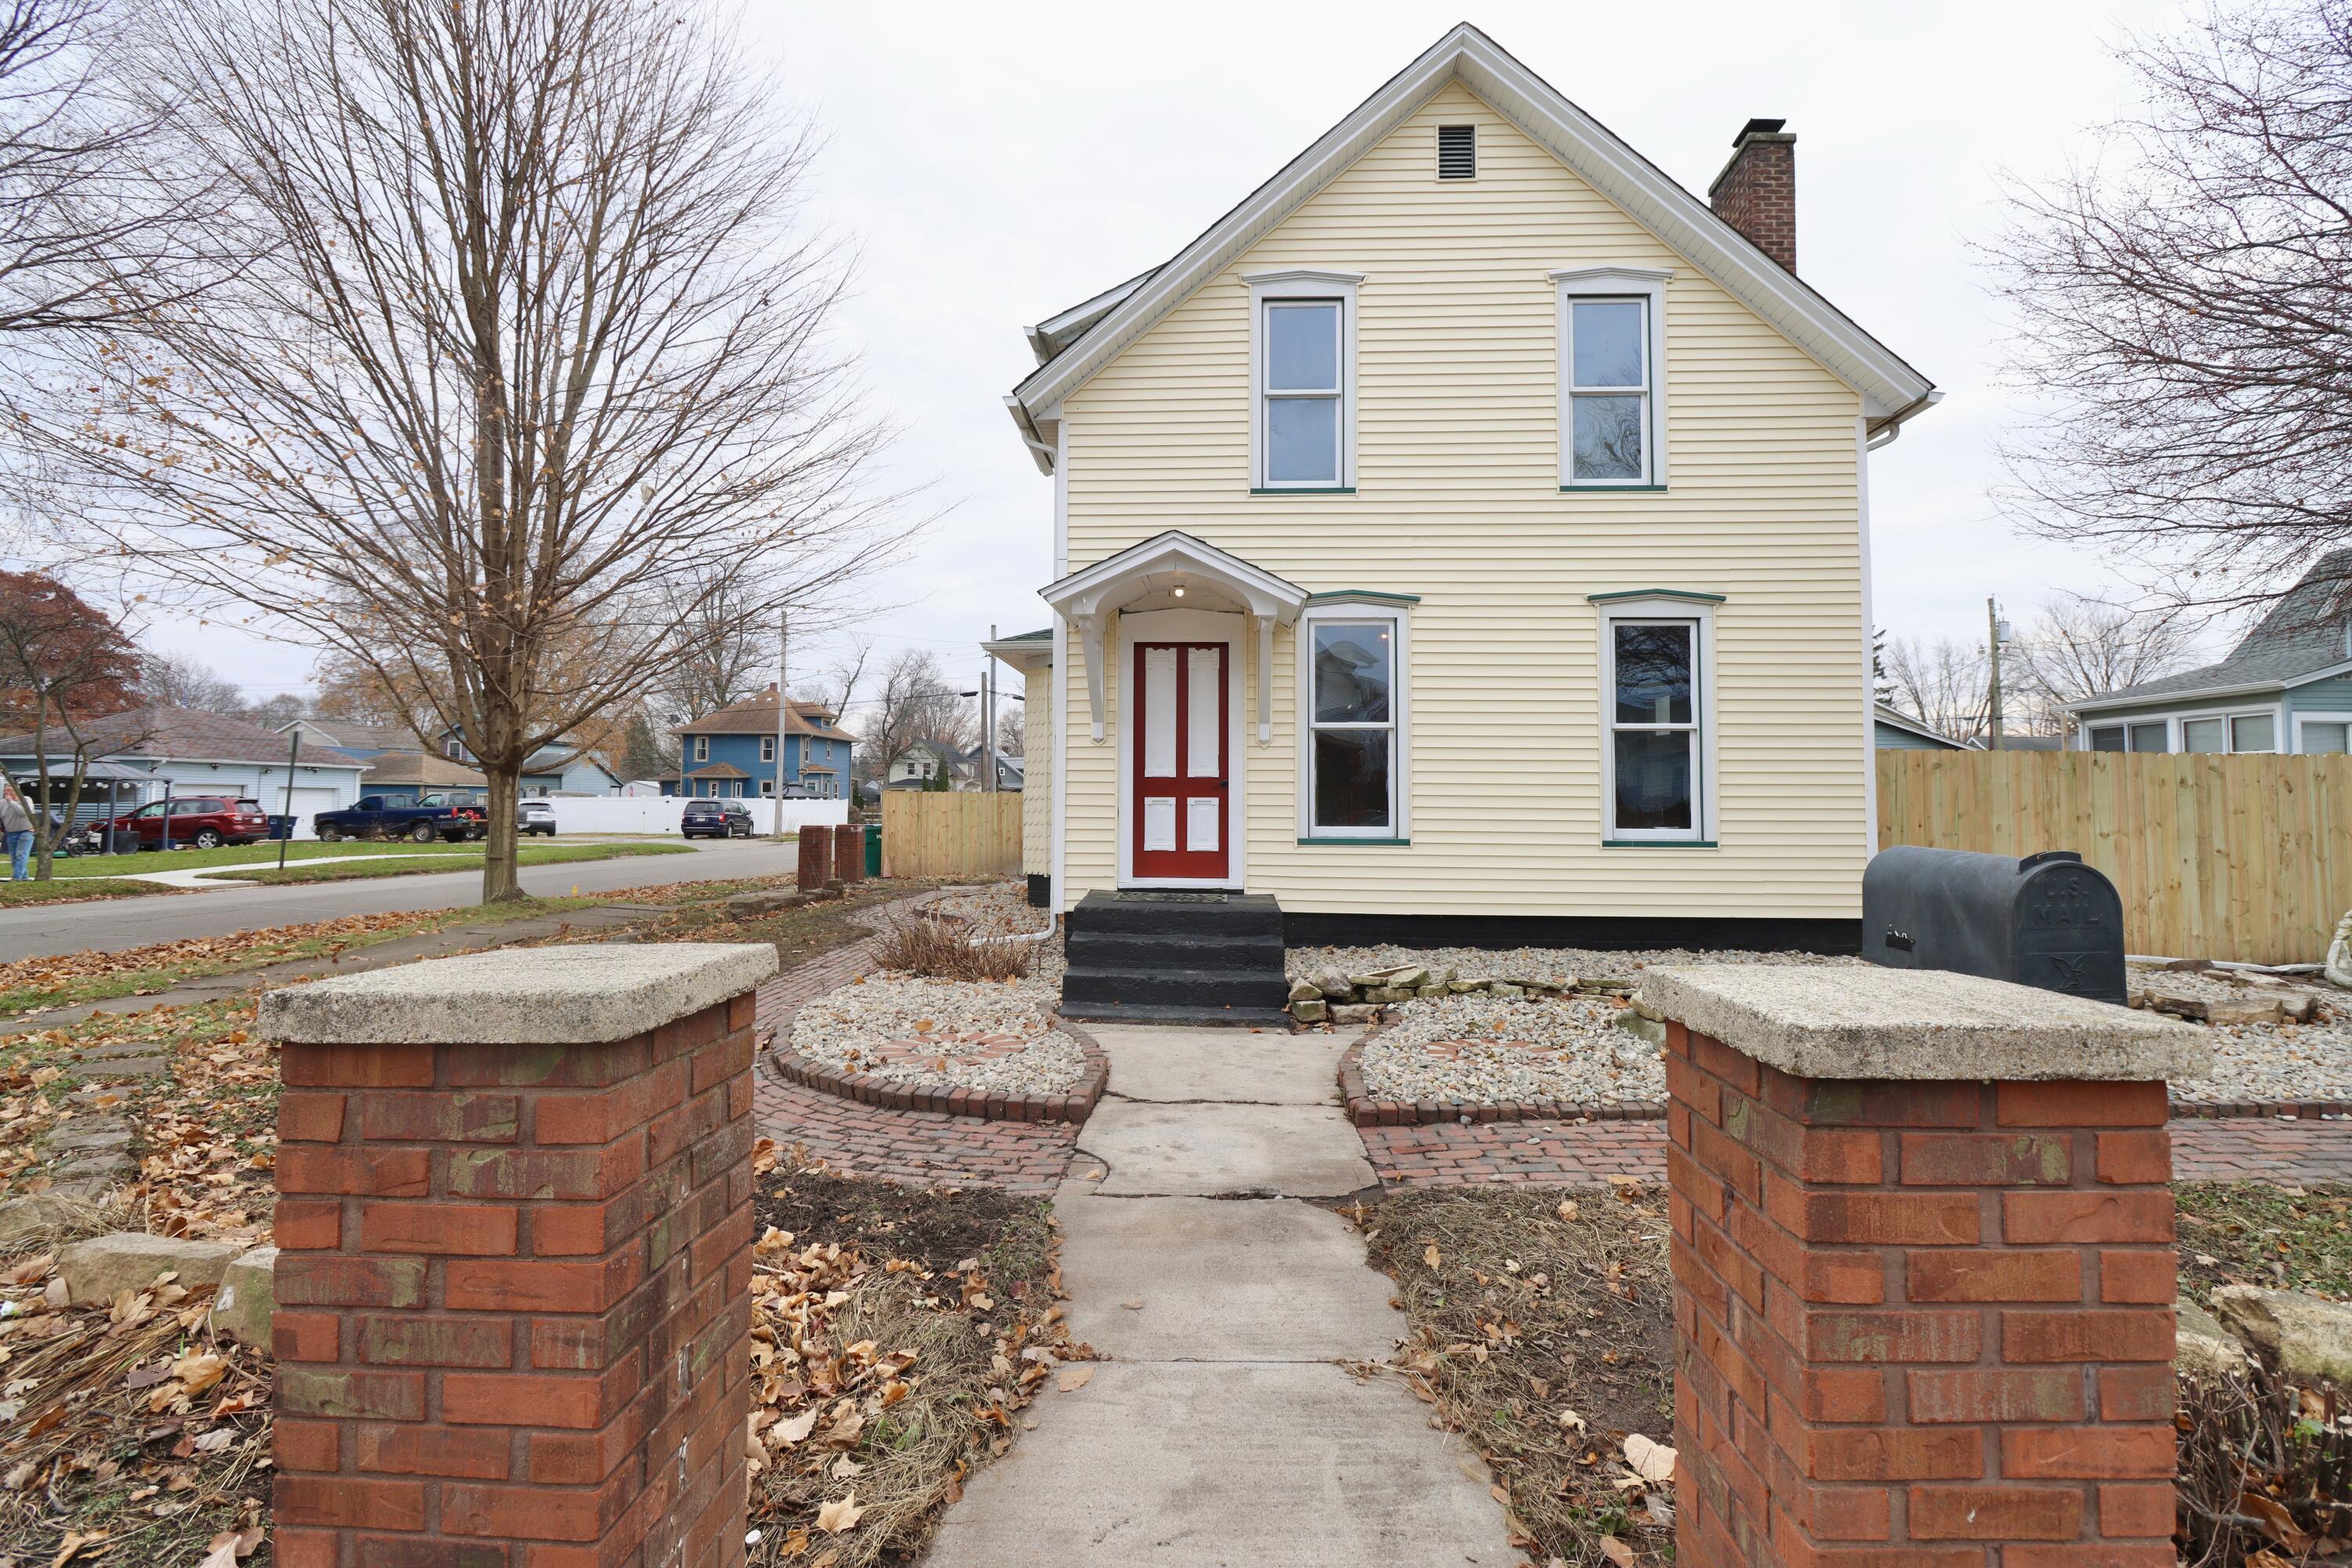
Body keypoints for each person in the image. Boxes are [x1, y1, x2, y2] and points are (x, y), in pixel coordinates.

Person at [1, 783, 33, 882]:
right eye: (5, 791)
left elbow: (23, 813)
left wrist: (11, 801)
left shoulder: (26, 800)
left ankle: (16, 877)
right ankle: (24, 877)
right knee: (14, 857)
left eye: (10, 790)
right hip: (11, 832)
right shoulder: (2, 803)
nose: (7, 793)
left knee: (21, 854)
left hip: (26, 831)